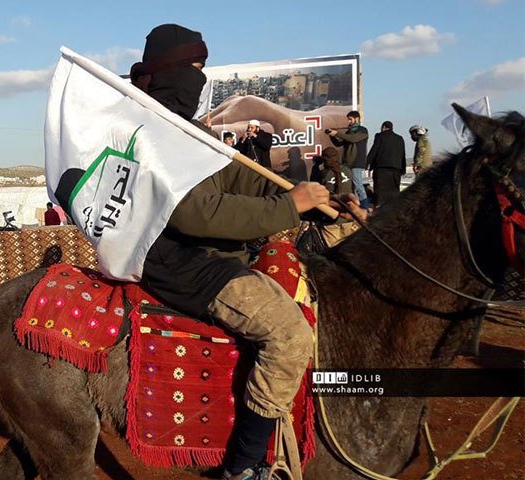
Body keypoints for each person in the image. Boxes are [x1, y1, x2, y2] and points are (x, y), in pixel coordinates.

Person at [128, 24, 333, 480]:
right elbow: (195, 214)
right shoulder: (148, 134)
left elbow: (242, 179)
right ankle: (242, 467)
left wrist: (316, 201)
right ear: (164, 71)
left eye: (202, 67)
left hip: (213, 254)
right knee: (289, 335)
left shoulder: (188, 131)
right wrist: (289, 207)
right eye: (190, 67)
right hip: (182, 262)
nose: (197, 78)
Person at [326, 110, 369, 209]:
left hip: (356, 162)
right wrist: (332, 135)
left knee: (358, 185)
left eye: (350, 119)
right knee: (351, 187)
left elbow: (352, 139)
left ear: (357, 119)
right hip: (347, 163)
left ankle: (365, 207)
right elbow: (338, 143)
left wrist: (337, 133)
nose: (348, 121)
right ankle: (355, 207)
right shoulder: (348, 132)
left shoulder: (363, 130)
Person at [367, 121, 406, 206]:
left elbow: (374, 150)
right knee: (394, 193)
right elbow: (403, 154)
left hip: (382, 170)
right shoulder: (400, 138)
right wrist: (403, 169)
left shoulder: (380, 136)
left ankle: (380, 209)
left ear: (384, 127)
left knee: (380, 194)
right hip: (396, 170)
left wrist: (367, 163)